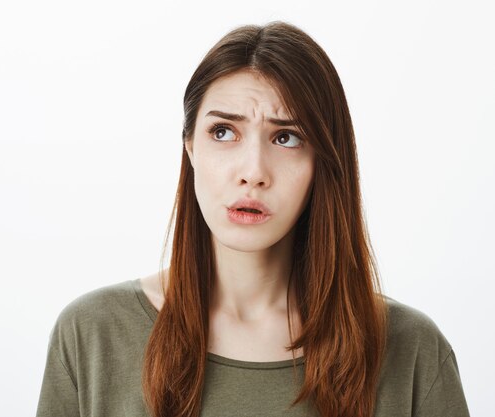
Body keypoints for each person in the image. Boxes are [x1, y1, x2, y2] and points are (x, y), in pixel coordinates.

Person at [35, 21, 470, 417]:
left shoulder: (412, 353)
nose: (253, 172)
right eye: (223, 131)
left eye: (286, 137)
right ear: (190, 148)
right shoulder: (93, 335)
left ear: (324, 160)